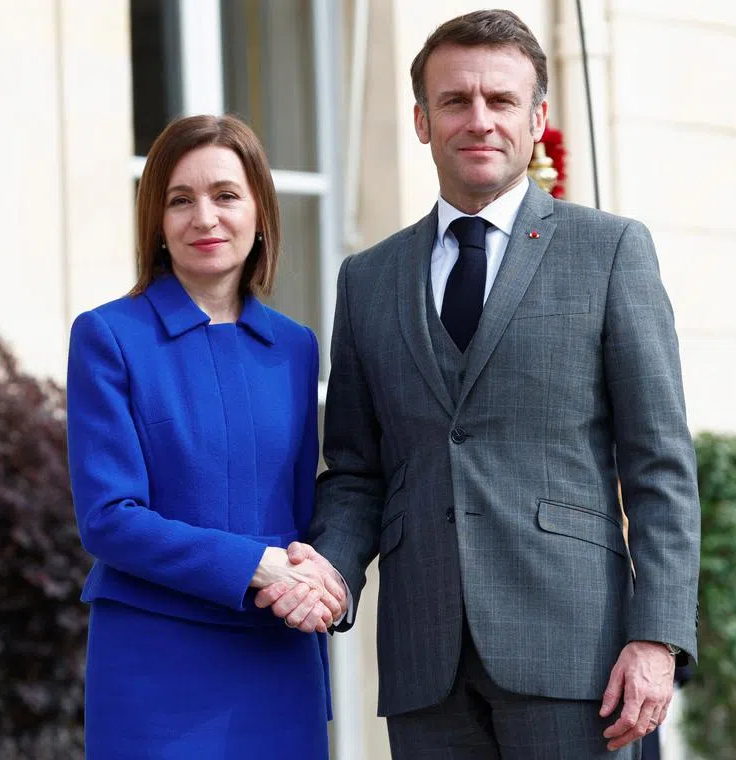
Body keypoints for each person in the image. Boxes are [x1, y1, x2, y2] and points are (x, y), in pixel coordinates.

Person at [257, 9, 701, 759]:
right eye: (455, 100)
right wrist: (330, 571)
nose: (480, 120)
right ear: (422, 121)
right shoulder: (368, 280)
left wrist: (657, 637)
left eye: (501, 100)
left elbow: (660, 464)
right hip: (425, 662)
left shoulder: (610, 251)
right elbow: (358, 470)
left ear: (537, 119)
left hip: (578, 657)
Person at [66, 114, 345, 759]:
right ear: (157, 222)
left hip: (278, 656)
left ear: (260, 211)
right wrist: (255, 565)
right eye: (180, 200)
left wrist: (315, 578)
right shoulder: (108, 337)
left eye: (226, 195)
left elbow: (302, 508)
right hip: (158, 667)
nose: (205, 218)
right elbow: (108, 518)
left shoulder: (296, 347)